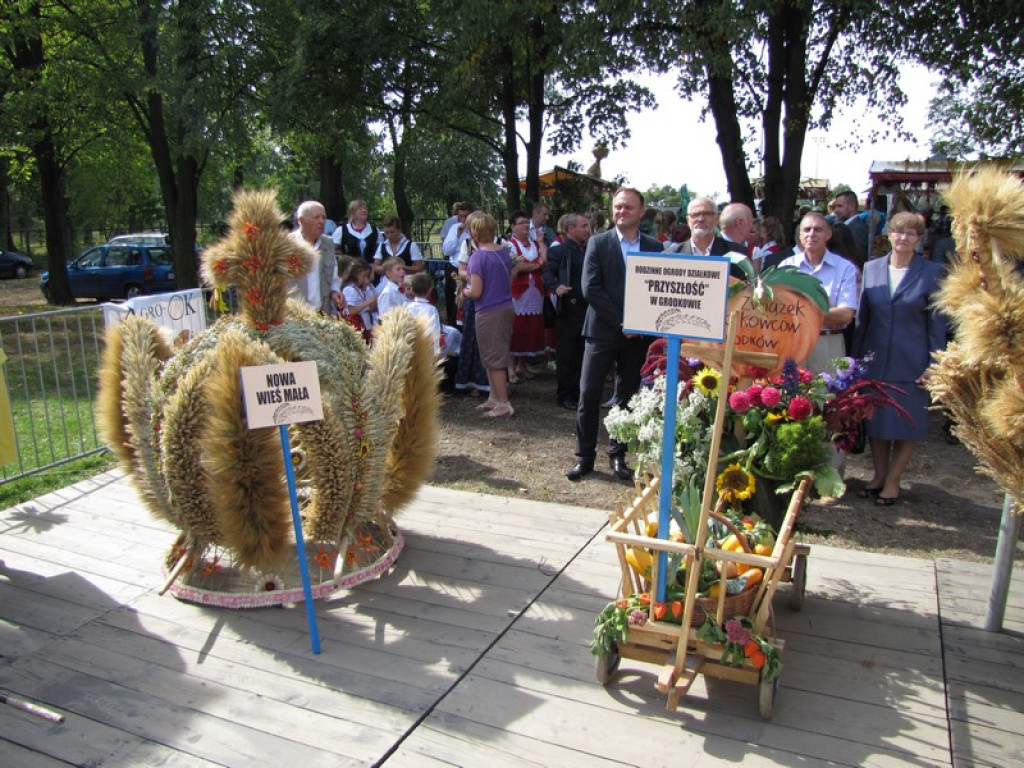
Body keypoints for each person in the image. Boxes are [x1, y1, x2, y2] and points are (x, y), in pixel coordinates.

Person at [568, 187, 664, 482]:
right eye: (618, 207)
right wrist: (623, 322)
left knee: (626, 397)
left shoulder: (654, 247)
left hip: (638, 339)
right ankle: (584, 457)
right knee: (588, 394)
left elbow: (658, 291)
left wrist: (641, 324)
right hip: (602, 333)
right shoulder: (598, 243)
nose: (621, 211)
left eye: (628, 207)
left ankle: (618, 454)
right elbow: (590, 289)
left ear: (641, 212)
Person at [852, 211, 947, 505]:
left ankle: (894, 481)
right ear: (889, 235)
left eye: (911, 233)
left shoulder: (932, 272)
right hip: (876, 358)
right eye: (898, 231)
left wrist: (935, 365)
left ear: (919, 239)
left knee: (908, 425)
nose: (903, 237)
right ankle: (879, 475)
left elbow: (937, 322)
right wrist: (855, 363)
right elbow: (863, 320)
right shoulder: (871, 268)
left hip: (913, 361)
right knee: (877, 423)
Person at [779, 212, 859, 372]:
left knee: (829, 395)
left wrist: (801, 312)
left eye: (818, 229)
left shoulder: (845, 268)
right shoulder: (786, 267)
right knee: (790, 396)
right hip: (793, 343)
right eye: (807, 230)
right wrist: (824, 314)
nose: (812, 234)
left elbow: (845, 314)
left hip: (828, 343)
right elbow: (778, 310)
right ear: (800, 235)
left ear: (828, 234)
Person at [462, 212, 516, 419]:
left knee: (493, 357)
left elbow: (475, 292)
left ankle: (503, 403)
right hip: (504, 306)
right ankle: (494, 397)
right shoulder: (502, 251)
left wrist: (464, 292)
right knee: (492, 354)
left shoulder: (478, 257)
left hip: (489, 310)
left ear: (474, 232)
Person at [543, 212, 591, 410]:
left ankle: (581, 393)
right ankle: (565, 396)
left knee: (584, 354)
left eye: (588, 226)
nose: (587, 229)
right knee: (567, 354)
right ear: (571, 229)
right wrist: (556, 287)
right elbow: (546, 274)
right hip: (570, 309)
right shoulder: (559, 251)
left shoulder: (590, 249)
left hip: (589, 308)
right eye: (584, 226)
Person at [506, 209, 548, 383]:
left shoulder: (534, 243)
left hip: (535, 292)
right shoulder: (509, 245)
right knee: (515, 328)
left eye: (526, 222)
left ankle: (522, 365)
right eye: (521, 223)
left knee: (529, 327)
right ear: (513, 227)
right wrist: (537, 263)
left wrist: (541, 244)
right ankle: (510, 368)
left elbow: (544, 259)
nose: (525, 226)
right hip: (518, 292)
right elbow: (518, 266)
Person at [286, 200, 345, 316]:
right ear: (301, 221)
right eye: (316, 217)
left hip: (322, 313)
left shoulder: (328, 243)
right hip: (294, 314)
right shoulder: (286, 244)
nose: (321, 221)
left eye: (323, 217)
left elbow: (333, 276)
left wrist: (335, 291)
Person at [677, 197, 752, 279]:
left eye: (707, 214)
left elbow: (747, 289)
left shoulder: (738, 254)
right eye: (695, 214)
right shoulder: (671, 255)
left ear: (717, 219)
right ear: (688, 221)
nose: (701, 219)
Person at [404, 271, 444, 357]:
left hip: (411, 346)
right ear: (430, 290)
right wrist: (436, 351)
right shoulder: (431, 309)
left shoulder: (407, 307)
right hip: (427, 347)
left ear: (413, 289)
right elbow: (435, 331)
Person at [340, 259, 376, 343]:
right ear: (356, 274)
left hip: (366, 324)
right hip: (356, 325)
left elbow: (371, 308)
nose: (366, 279)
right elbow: (351, 310)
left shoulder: (361, 289)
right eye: (364, 276)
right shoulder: (350, 289)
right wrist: (367, 302)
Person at [831, 190, 870, 267]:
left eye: (839, 206)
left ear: (851, 206)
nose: (836, 210)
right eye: (835, 207)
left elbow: (859, 257)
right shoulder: (846, 226)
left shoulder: (858, 228)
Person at [332, 199, 380, 263]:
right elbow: (334, 251)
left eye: (365, 208)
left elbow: (380, 251)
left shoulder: (375, 230)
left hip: (371, 270)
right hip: (349, 270)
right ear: (352, 212)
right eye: (360, 209)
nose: (363, 210)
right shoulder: (342, 230)